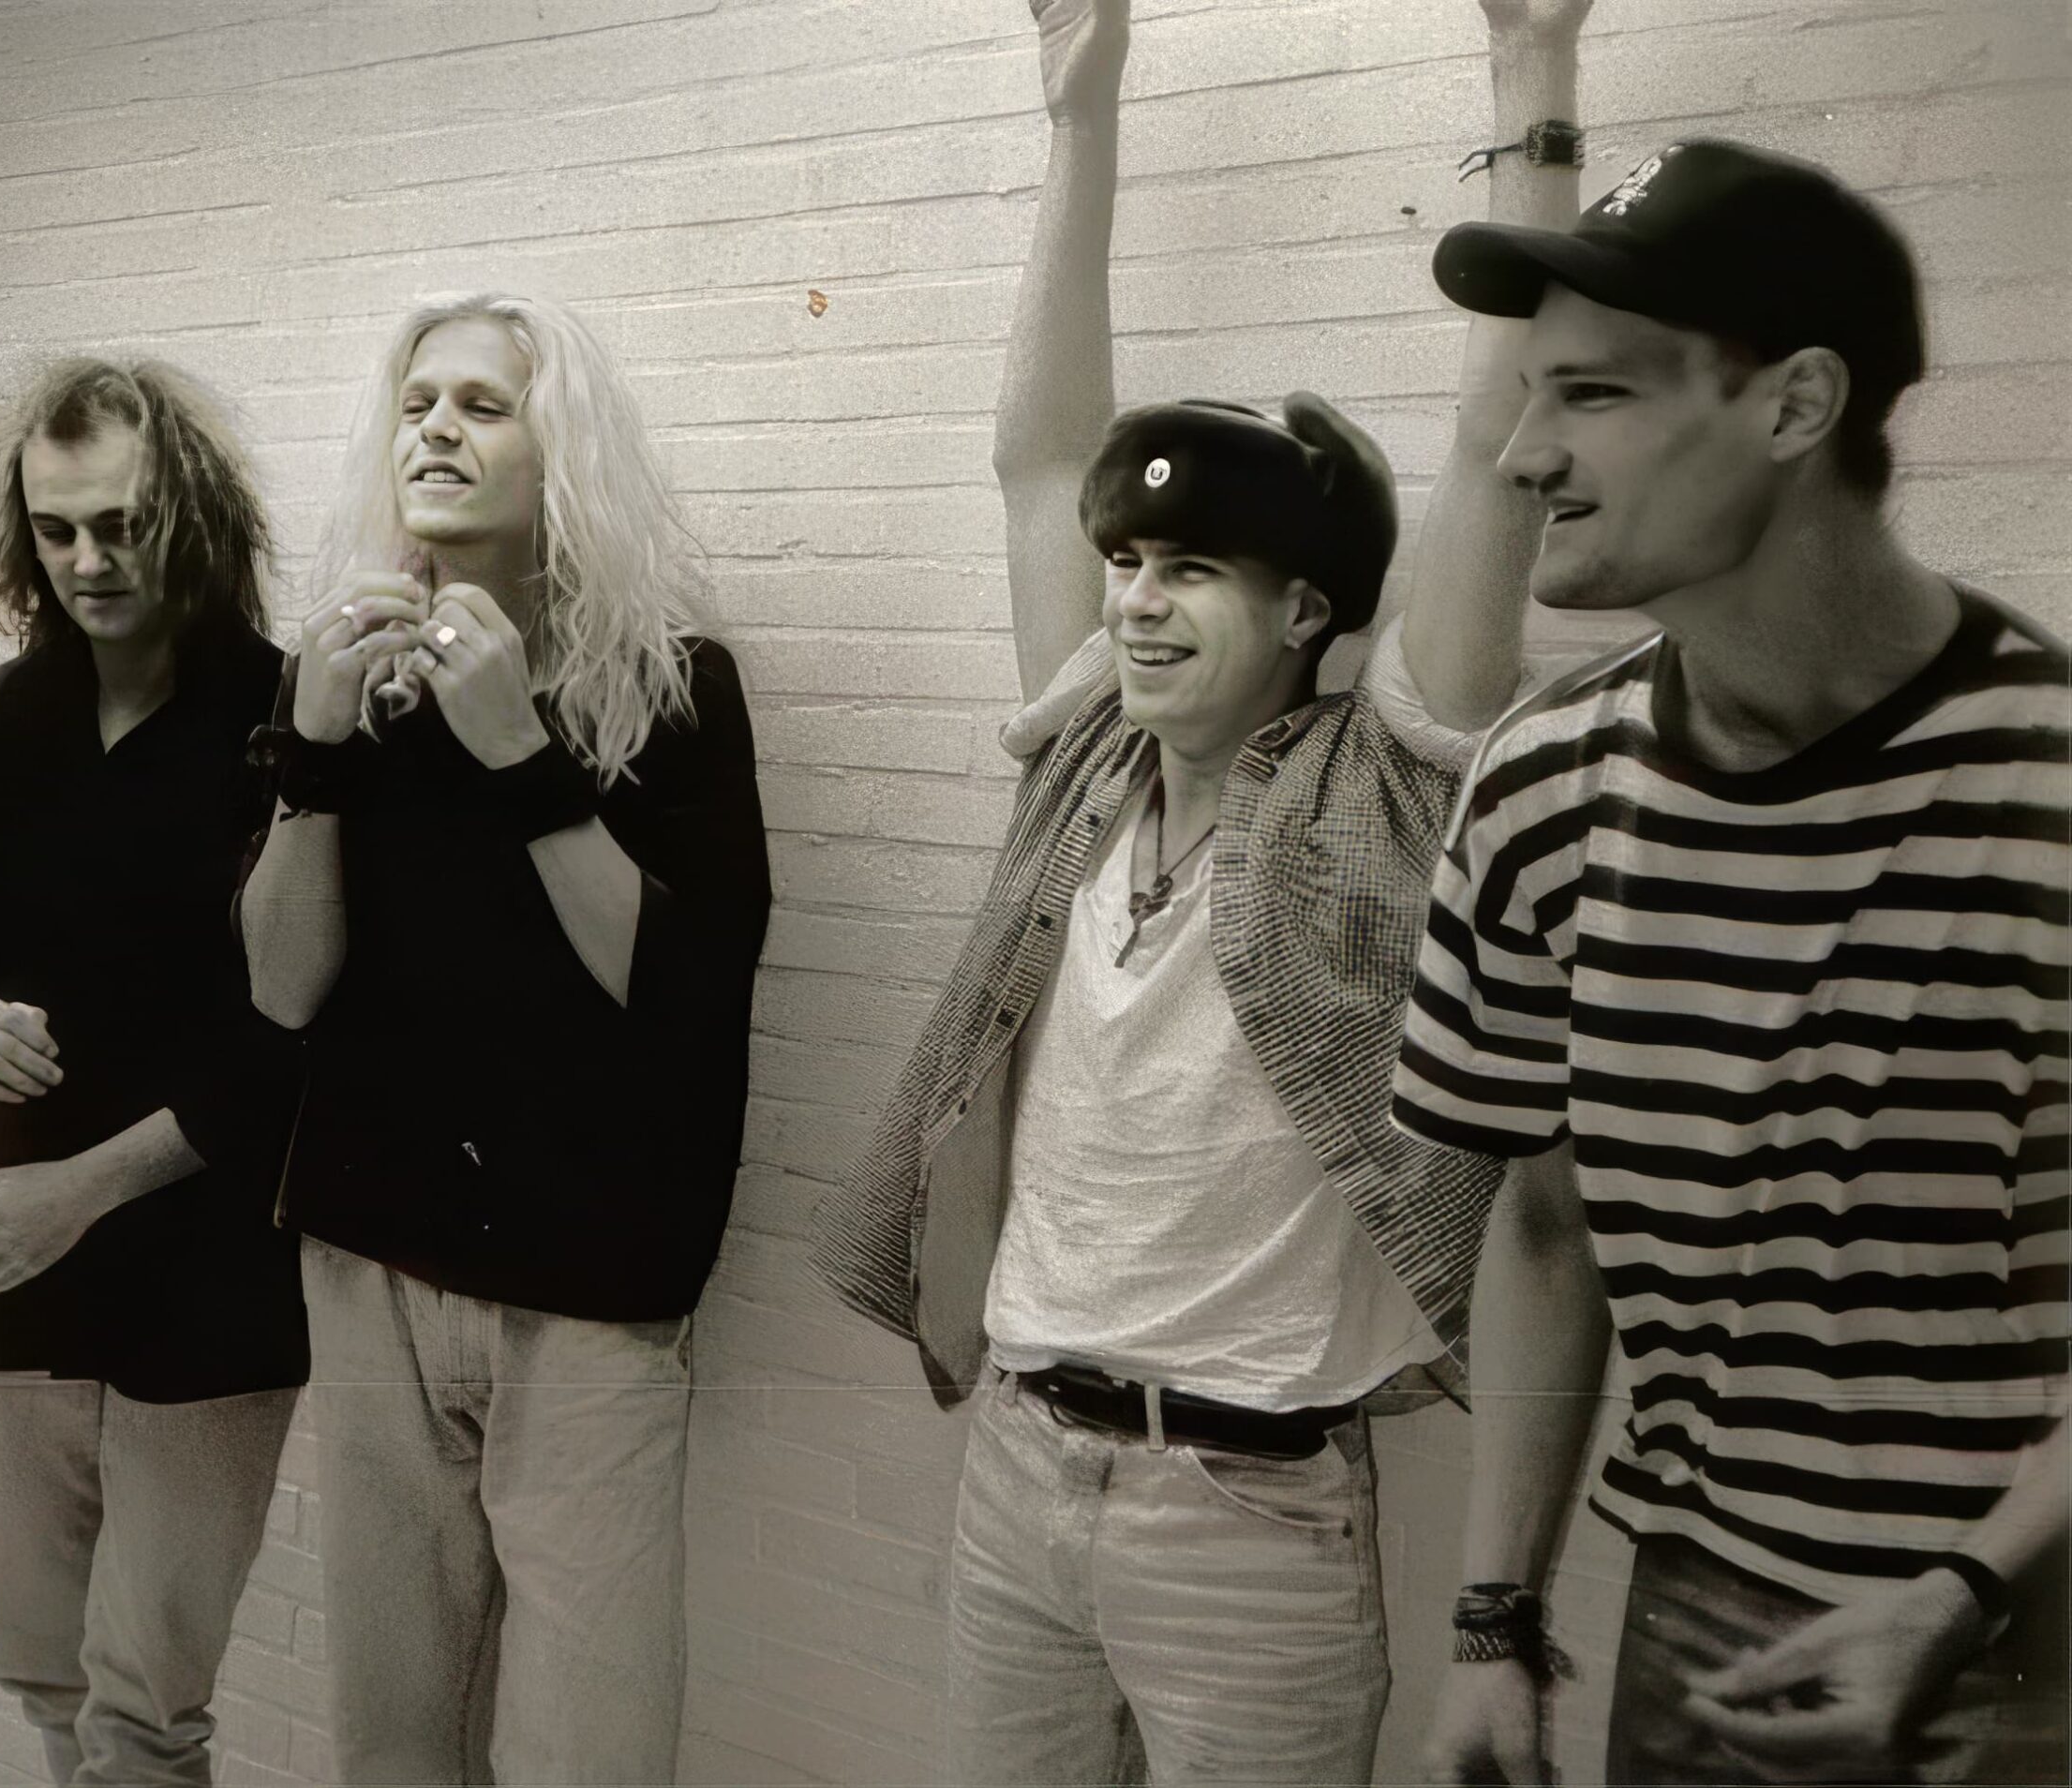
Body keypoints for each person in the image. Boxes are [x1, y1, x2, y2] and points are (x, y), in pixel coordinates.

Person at [810, 1, 1589, 1779]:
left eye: (1197, 572)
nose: (1140, 600)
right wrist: (1079, 114)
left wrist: (1534, 69)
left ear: (1309, 610)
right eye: (1133, 564)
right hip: (1017, 1465)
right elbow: (1037, 458)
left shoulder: (1380, 786)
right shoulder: (1080, 758)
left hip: (1253, 1517)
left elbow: (1502, 440)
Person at [1393, 135, 2070, 1785]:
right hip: (1703, 1610)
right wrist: (1492, 1621)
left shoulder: (2050, 786)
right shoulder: (1542, 786)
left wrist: (1966, 1591)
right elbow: (1546, 1221)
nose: (1522, 455)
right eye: (1529, 396)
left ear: (1794, 405)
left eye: (1594, 395)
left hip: (2029, 1628)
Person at [238, 292, 771, 1785]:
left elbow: (677, 992)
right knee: (392, 1740)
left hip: (586, 1289)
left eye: (482, 405)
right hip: (370, 1258)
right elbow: (281, 987)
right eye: (417, 405)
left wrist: (524, 758)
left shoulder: (672, 687)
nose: (437, 431)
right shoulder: (339, 674)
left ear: (564, 450)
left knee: (587, 1750)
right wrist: (314, 755)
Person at [0, 359, 306, 1787]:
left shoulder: (285, 720)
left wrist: (83, 1190)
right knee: (44, 1672)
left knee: (146, 1713)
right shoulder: (11, 714)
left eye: (122, 524)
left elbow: (298, 1041)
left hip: (212, 1264)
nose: (88, 561)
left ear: (195, 515)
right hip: (18, 1245)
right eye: (56, 530)